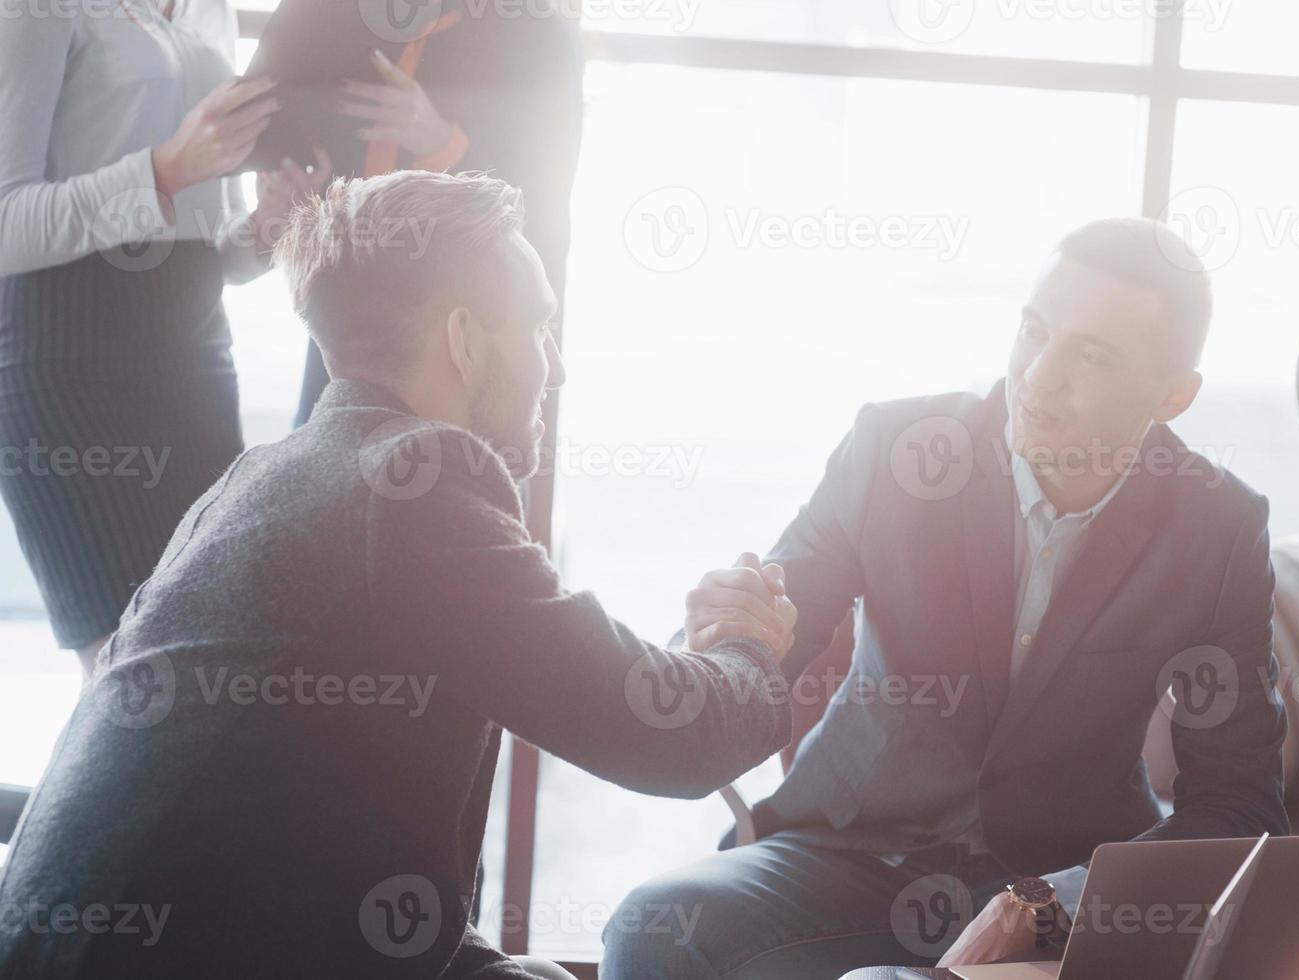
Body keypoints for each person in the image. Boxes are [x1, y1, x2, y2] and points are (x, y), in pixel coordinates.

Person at [0, 170, 796, 979]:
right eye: (540, 329)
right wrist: (749, 648)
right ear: (464, 340)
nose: (556, 371)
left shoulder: (270, 478)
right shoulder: (414, 485)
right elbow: (667, 737)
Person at [602, 218, 1289, 978]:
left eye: (1090, 354)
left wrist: (1050, 900)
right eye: (1035, 330)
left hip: (1058, 891)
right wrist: (716, 641)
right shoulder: (894, 451)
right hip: (845, 854)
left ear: (1172, 395)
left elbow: (1242, 810)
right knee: (655, 928)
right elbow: (759, 649)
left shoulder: (1217, 526)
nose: (1038, 377)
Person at [0, 0, 330, 673]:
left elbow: (215, 243)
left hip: (196, 356)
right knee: (132, 676)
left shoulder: (209, 11)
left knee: (219, 649)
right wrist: (164, 170)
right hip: (65, 356)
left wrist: (269, 226)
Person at [292, 0, 583, 429]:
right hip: (358, 297)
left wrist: (440, 141)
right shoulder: (364, 20)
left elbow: (541, 206)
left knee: (458, 466)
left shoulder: (539, 36)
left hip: (462, 311)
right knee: (333, 447)